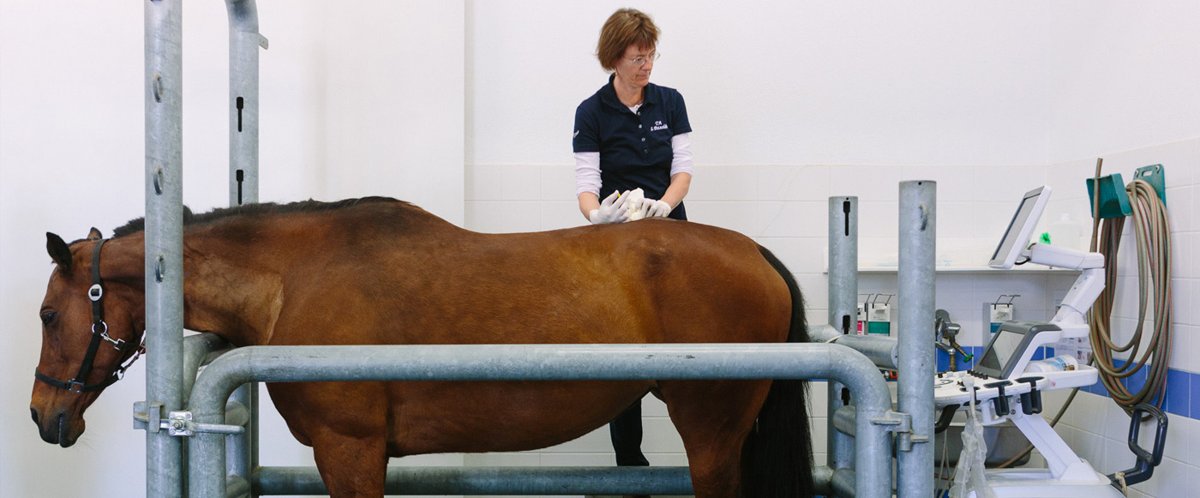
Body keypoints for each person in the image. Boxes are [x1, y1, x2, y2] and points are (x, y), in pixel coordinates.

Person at [571, 8, 694, 470]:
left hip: (668, 227)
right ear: (614, 60)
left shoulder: (671, 102)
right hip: (619, 237)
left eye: (650, 56)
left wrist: (665, 205)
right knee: (623, 348)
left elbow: (683, 170)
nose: (646, 66)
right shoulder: (591, 111)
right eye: (637, 58)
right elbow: (587, 185)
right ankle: (629, 463)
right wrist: (598, 215)